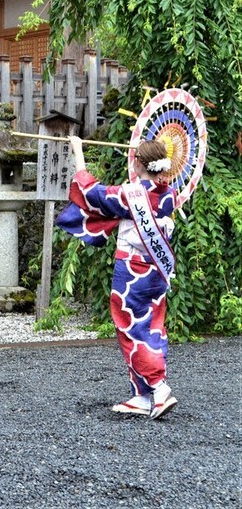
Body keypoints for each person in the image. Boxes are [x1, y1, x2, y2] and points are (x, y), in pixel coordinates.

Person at [56, 135, 178, 419]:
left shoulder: (129, 195)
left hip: (133, 270)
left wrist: (77, 150)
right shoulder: (168, 193)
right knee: (152, 326)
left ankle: (159, 388)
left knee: (132, 327)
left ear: (137, 163)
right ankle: (142, 395)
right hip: (156, 270)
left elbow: (88, 191)